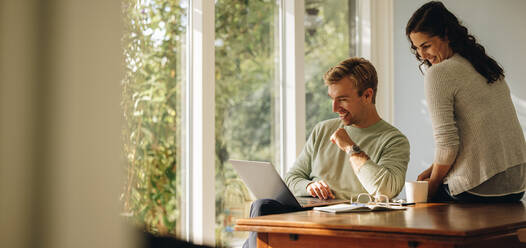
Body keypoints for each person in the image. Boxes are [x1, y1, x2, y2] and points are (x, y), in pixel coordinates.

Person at [243, 57, 410, 248]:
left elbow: (386, 189)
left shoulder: (394, 140)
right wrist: (309, 187)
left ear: (367, 95)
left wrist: (350, 147)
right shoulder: (323, 130)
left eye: (343, 99)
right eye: (332, 99)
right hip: (309, 218)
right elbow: (292, 178)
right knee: (262, 206)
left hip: (353, 225)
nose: (335, 108)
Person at [406, 1, 526, 203]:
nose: (422, 55)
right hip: (518, 185)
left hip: (480, 187)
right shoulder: (483, 64)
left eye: (426, 45)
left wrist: (433, 185)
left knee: (416, 206)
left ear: (446, 35)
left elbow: (447, 145)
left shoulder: (439, 73)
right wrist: (435, 170)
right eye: (417, 48)